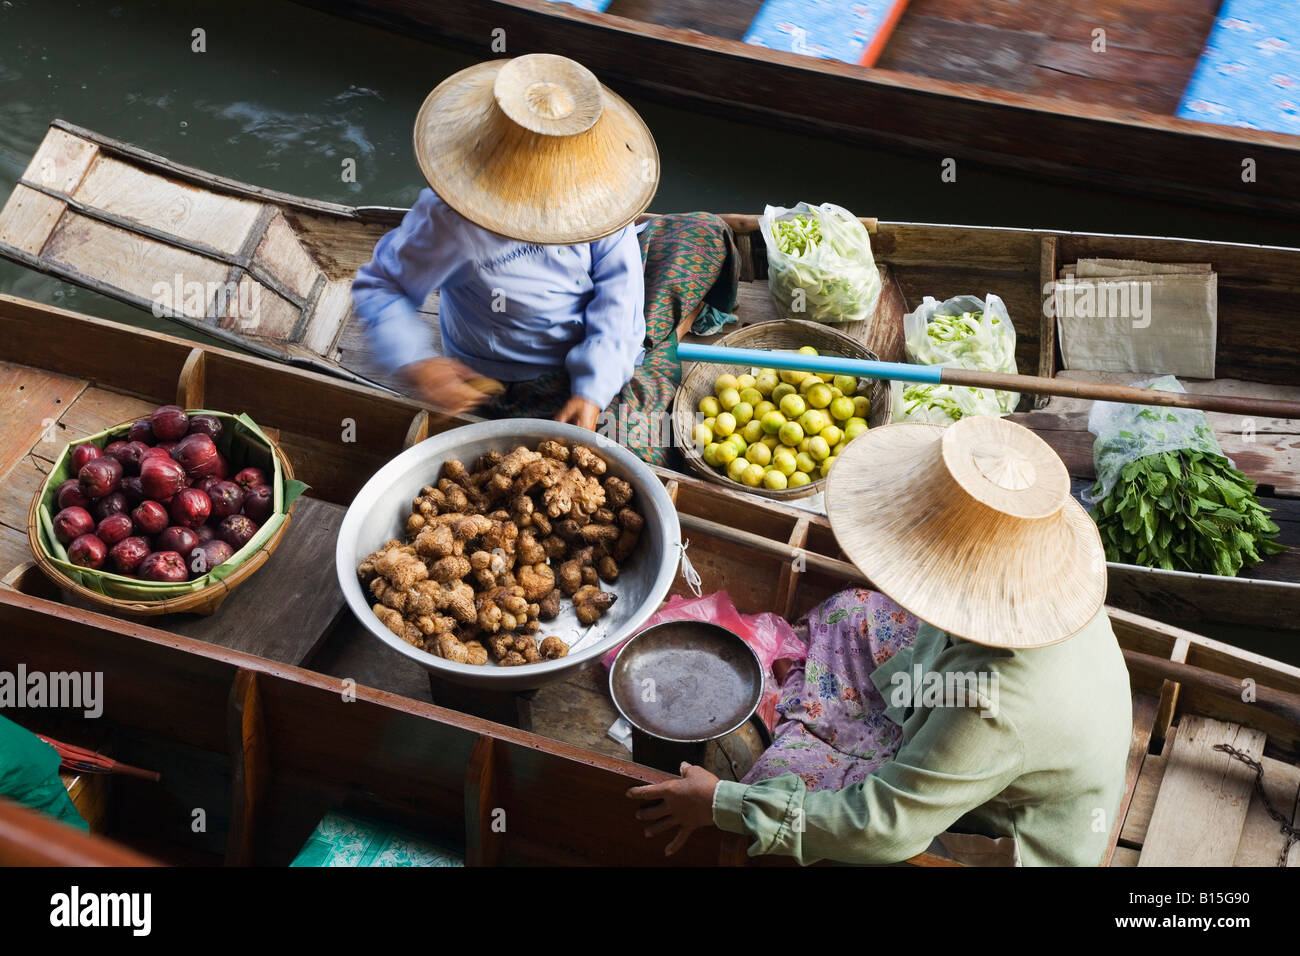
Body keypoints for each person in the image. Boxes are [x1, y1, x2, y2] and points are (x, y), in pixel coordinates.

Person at [628, 415, 1133, 866]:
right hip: (962, 707)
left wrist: (723, 804)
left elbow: (882, 828)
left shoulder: (993, 705)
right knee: (854, 614)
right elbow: (943, 648)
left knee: (770, 792)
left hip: (990, 820)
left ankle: (832, 755)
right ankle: (845, 732)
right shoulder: (1039, 576)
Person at [351, 53, 738, 465]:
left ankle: (635, 354)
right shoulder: (450, 220)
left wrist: (593, 387)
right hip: (522, 379)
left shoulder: (601, 192)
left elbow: (619, 292)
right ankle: (648, 351)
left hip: (593, 344)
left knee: (705, 233)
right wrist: (419, 362)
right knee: (630, 457)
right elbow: (382, 289)